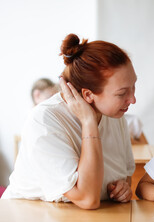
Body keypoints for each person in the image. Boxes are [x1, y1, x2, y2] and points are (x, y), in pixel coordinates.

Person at [2, 33, 137, 209]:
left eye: (134, 86)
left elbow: (125, 174)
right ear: (88, 95)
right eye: (122, 93)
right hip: (27, 218)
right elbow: (88, 199)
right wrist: (88, 122)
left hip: (79, 220)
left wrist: (123, 188)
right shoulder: (44, 120)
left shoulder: (115, 116)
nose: (133, 99)